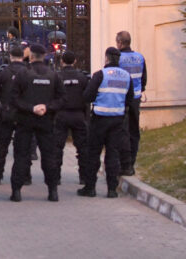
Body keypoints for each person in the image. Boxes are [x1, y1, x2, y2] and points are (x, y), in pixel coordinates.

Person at [9, 43, 63, 202]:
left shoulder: (22, 74)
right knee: (49, 156)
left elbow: (13, 98)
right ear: (45, 56)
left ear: (31, 56)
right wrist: (47, 107)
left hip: (25, 120)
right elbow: (62, 98)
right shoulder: (53, 75)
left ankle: (16, 191)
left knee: (21, 155)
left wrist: (31, 108)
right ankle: (53, 191)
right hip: (46, 120)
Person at [79, 47, 134, 198]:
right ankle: (111, 189)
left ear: (107, 58)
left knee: (93, 154)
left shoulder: (100, 75)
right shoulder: (126, 76)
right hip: (117, 120)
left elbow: (87, 96)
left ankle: (90, 188)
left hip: (99, 120)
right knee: (113, 154)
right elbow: (130, 99)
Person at [0, 44, 25, 185]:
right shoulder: (28, 71)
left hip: (6, 113)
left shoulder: (3, 72)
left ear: (10, 56)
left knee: (1, 147)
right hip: (23, 114)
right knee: (22, 148)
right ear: (22, 57)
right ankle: (24, 176)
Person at [54, 50, 90, 186]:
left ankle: (56, 177)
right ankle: (84, 177)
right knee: (82, 147)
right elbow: (87, 96)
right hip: (78, 114)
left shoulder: (57, 77)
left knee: (57, 147)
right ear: (75, 61)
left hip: (61, 114)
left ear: (62, 61)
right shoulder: (82, 77)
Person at [116, 30, 147, 176]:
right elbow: (144, 79)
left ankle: (123, 164)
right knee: (134, 132)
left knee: (122, 131)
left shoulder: (119, 58)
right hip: (135, 98)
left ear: (120, 43)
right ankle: (131, 164)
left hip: (121, 99)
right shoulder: (139, 57)